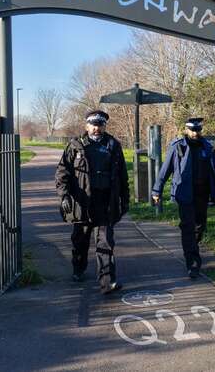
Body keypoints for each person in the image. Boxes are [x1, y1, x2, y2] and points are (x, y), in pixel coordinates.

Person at [55, 109, 129, 294]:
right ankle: (78, 268)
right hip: (82, 203)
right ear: (87, 125)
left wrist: (124, 199)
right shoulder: (75, 146)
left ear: (104, 126)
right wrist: (64, 195)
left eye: (100, 124)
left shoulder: (113, 145)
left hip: (105, 202)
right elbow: (62, 173)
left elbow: (122, 176)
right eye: (93, 124)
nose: (97, 128)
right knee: (80, 241)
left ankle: (107, 282)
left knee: (105, 242)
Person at [151, 117, 215, 279]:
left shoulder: (207, 146)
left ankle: (192, 248)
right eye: (192, 130)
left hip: (203, 193)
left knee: (200, 226)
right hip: (184, 193)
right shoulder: (178, 146)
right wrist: (157, 190)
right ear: (186, 130)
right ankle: (192, 263)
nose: (195, 133)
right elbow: (165, 170)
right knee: (188, 227)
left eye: (198, 130)